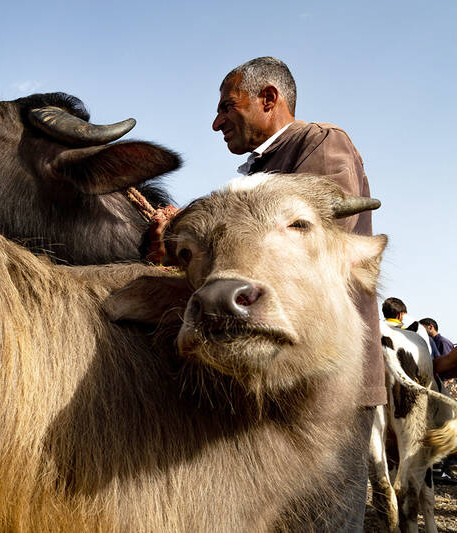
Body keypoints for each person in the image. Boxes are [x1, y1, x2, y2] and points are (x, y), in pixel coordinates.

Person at [213, 57, 384, 531]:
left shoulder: (321, 143)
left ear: (269, 99)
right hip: (277, 380)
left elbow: (314, 236)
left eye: (228, 106)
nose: (217, 122)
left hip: (329, 388)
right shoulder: (260, 166)